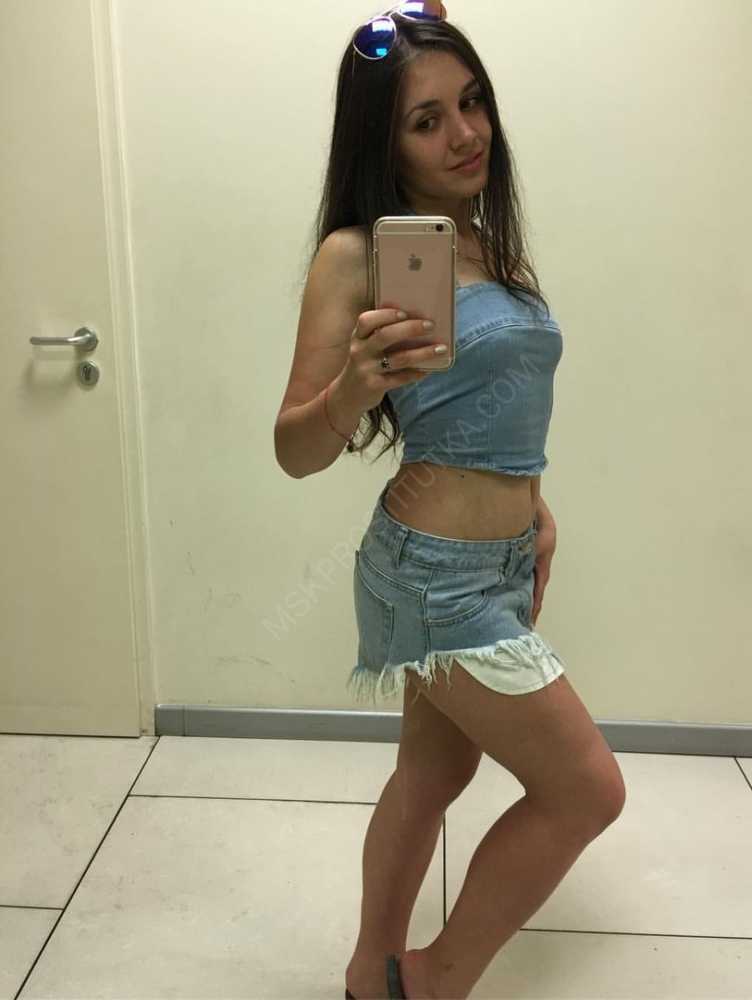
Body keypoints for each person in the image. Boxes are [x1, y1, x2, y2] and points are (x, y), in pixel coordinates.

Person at [273, 4, 627, 997]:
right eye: (426, 120)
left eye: (471, 103)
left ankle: (368, 974)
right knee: (586, 790)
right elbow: (293, 448)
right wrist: (353, 388)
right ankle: (429, 981)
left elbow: (499, 402)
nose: (465, 133)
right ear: (381, 141)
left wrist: (534, 507)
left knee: (433, 775)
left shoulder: (479, 241)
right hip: (433, 574)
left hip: (499, 563)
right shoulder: (358, 254)